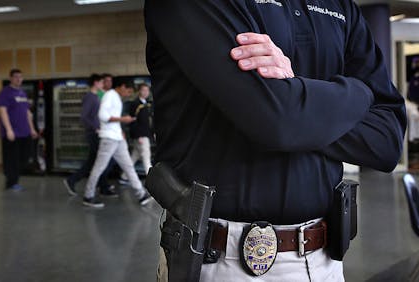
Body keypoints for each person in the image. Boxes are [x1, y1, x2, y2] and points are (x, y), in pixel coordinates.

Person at [145, 1, 406, 281]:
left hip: (325, 261)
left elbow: (386, 141)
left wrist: (294, 95)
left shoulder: (341, 6)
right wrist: (361, 91)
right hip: (217, 261)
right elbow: (278, 122)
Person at [82, 78, 153, 208]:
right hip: (108, 139)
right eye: (128, 91)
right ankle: (88, 195)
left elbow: (110, 118)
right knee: (99, 167)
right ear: (122, 86)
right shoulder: (110, 96)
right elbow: (103, 116)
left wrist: (120, 130)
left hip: (117, 138)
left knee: (128, 166)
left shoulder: (116, 97)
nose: (129, 94)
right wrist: (123, 119)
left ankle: (141, 194)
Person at [63, 74, 117, 197]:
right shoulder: (90, 97)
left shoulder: (96, 97)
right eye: (101, 82)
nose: (103, 85)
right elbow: (84, 116)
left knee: (94, 161)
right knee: (106, 161)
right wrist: (96, 128)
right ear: (96, 83)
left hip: (98, 133)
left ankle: (77, 181)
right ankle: (100, 186)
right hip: (93, 134)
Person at [0, 69, 38, 191]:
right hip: (12, 133)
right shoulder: (5, 93)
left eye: (20, 77)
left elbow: (27, 113)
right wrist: (9, 130)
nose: (19, 79)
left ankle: (12, 177)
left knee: (25, 157)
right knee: (12, 159)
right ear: (11, 78)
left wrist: (32, 129)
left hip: (24, 132)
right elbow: (3, 111)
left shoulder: (23, 93)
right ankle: (11, 182)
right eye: (16, 77)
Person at [121, 83, 153, 180]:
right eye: (143, 90)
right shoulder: (135, 104)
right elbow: (133, 121)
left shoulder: (146, 104)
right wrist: (138, 136)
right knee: (146, 158)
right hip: (141, 136)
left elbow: (148, 121)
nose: (146, 92)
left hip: (144, 134)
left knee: (134, 157)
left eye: (147, 90)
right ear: (139, 91)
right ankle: (152, 180)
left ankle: (124, 176)